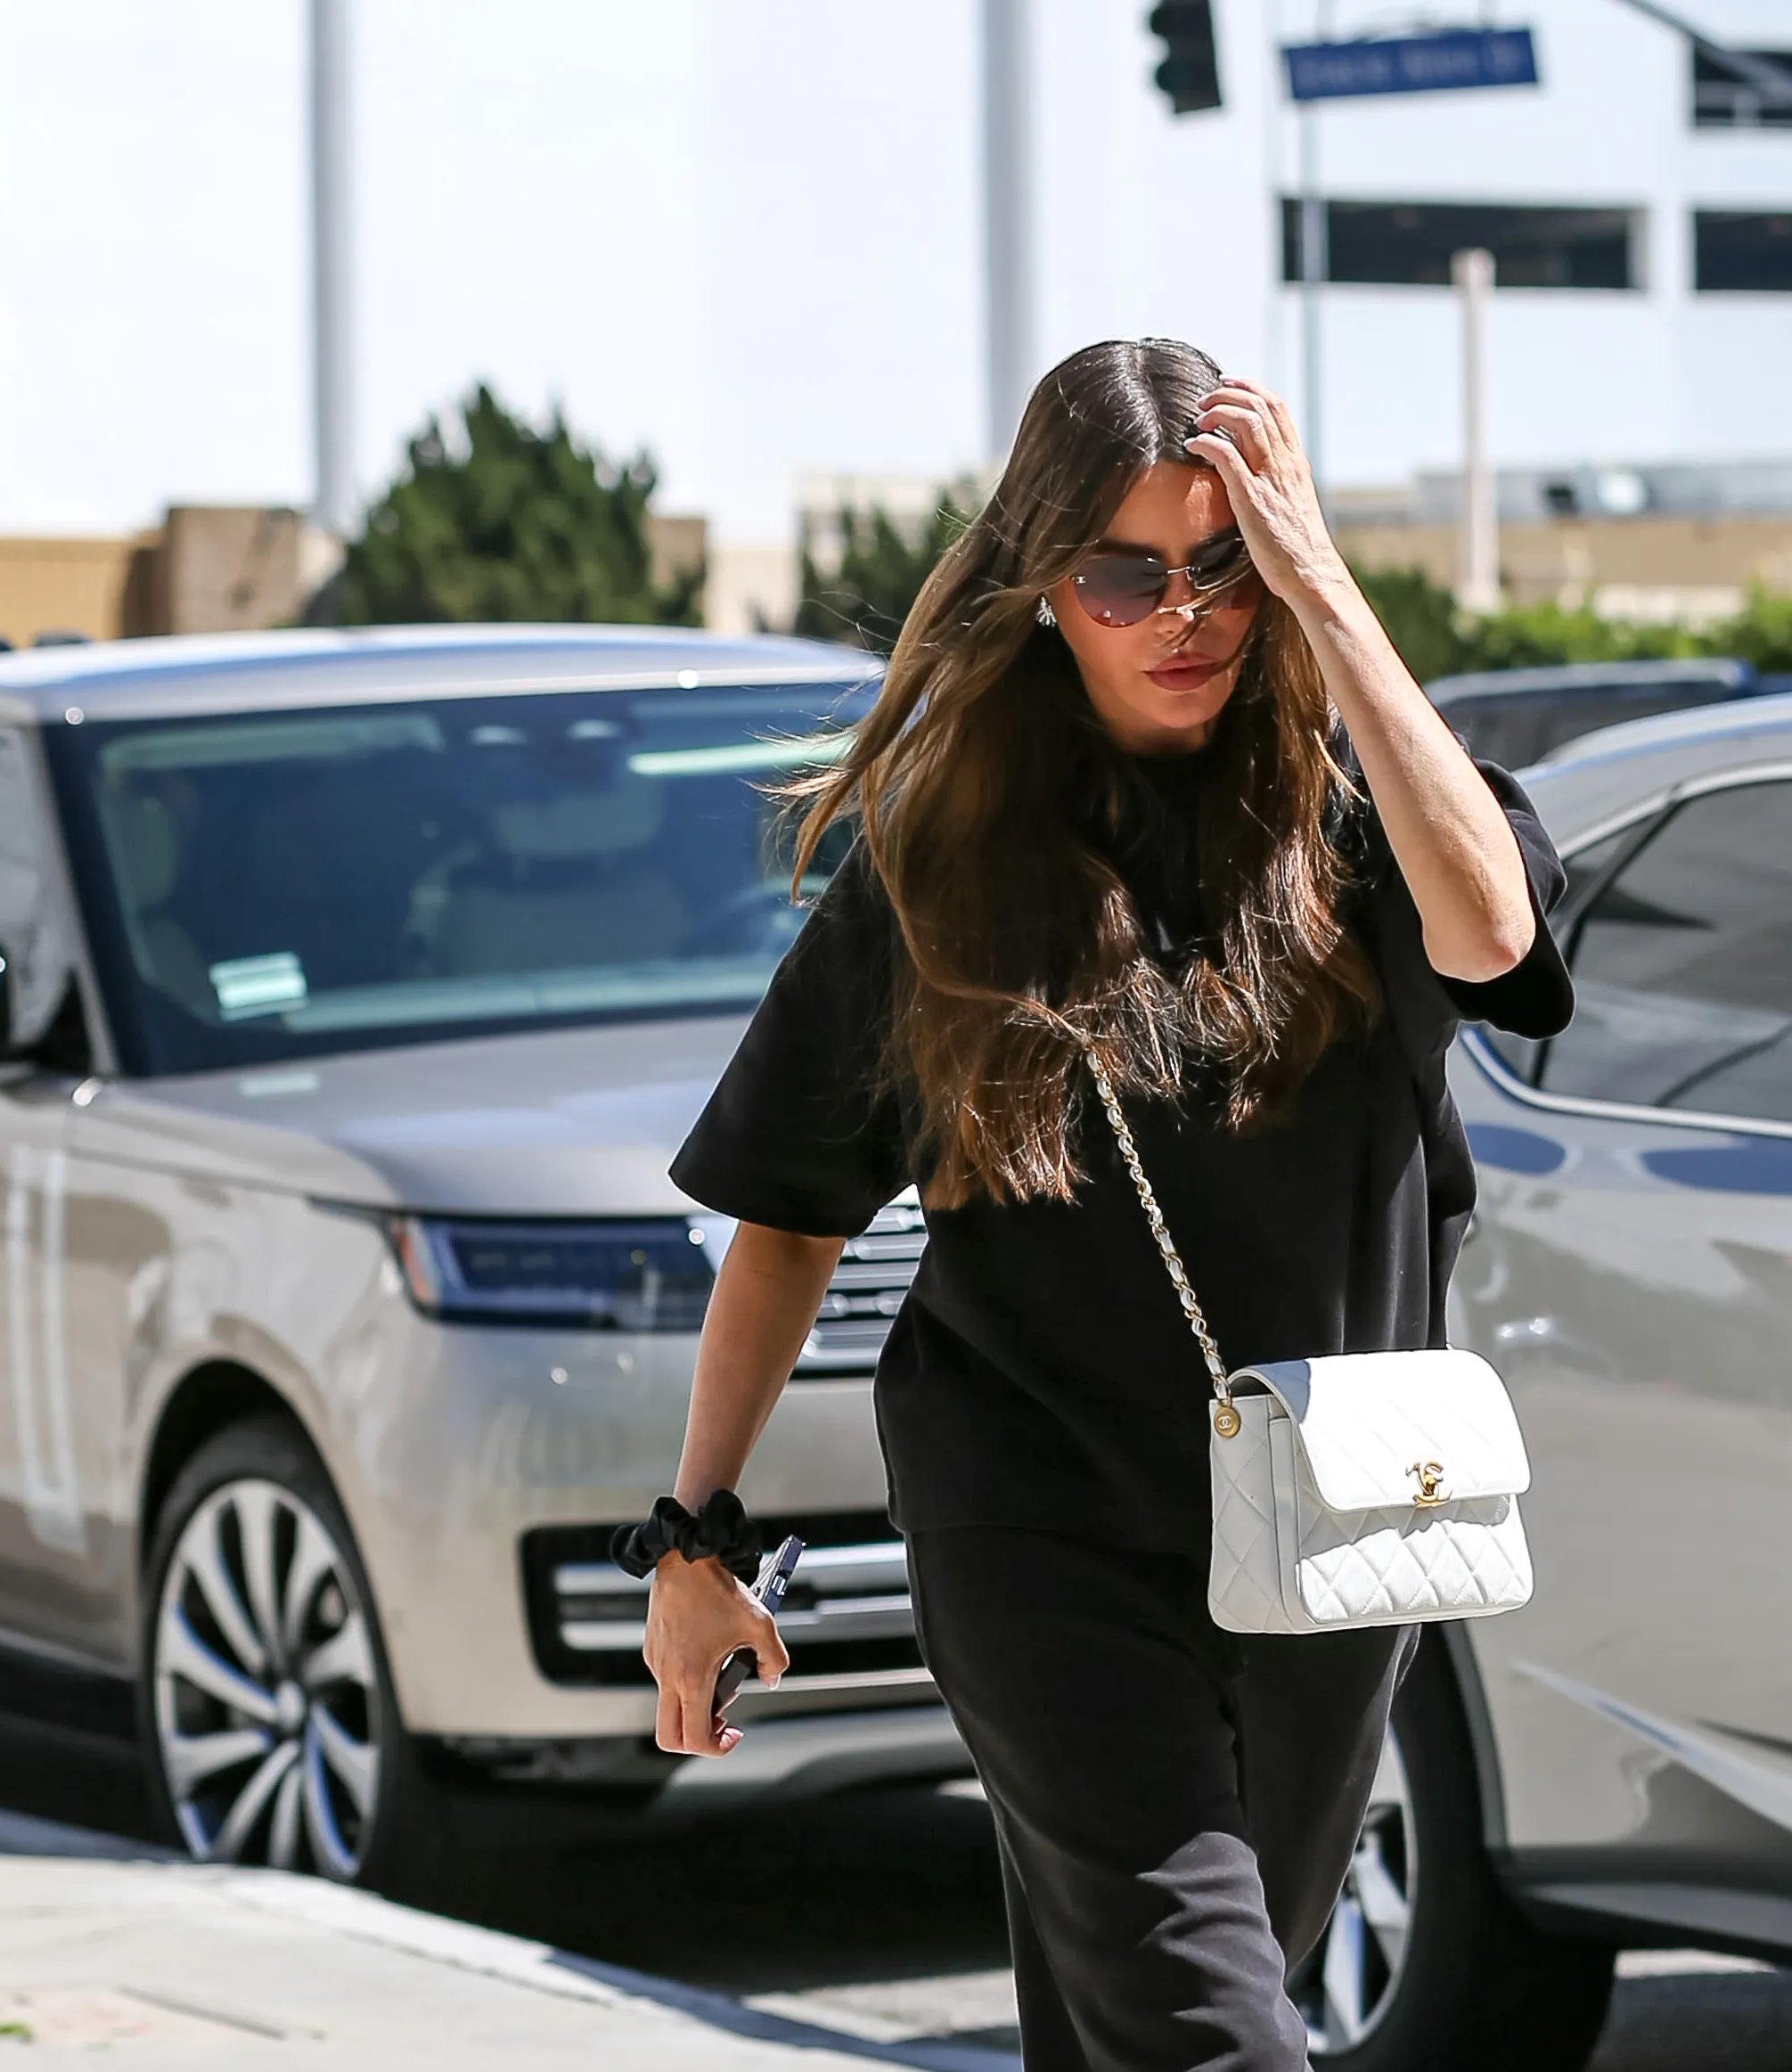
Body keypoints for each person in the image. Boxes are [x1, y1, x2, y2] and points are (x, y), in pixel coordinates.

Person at [631, 338, 1571, 2070]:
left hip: (1318, 1530)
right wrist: (696, 1532)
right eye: (1124, 571)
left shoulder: (1366, 826)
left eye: (1222, 564)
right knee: (1209, 2017)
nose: (1180, 612)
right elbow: (788, 1212)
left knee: (1156, 2008)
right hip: (1034, 1526)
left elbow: (1497, 943)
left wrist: (1329, 589)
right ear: (1044, 584)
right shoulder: (942, 872)